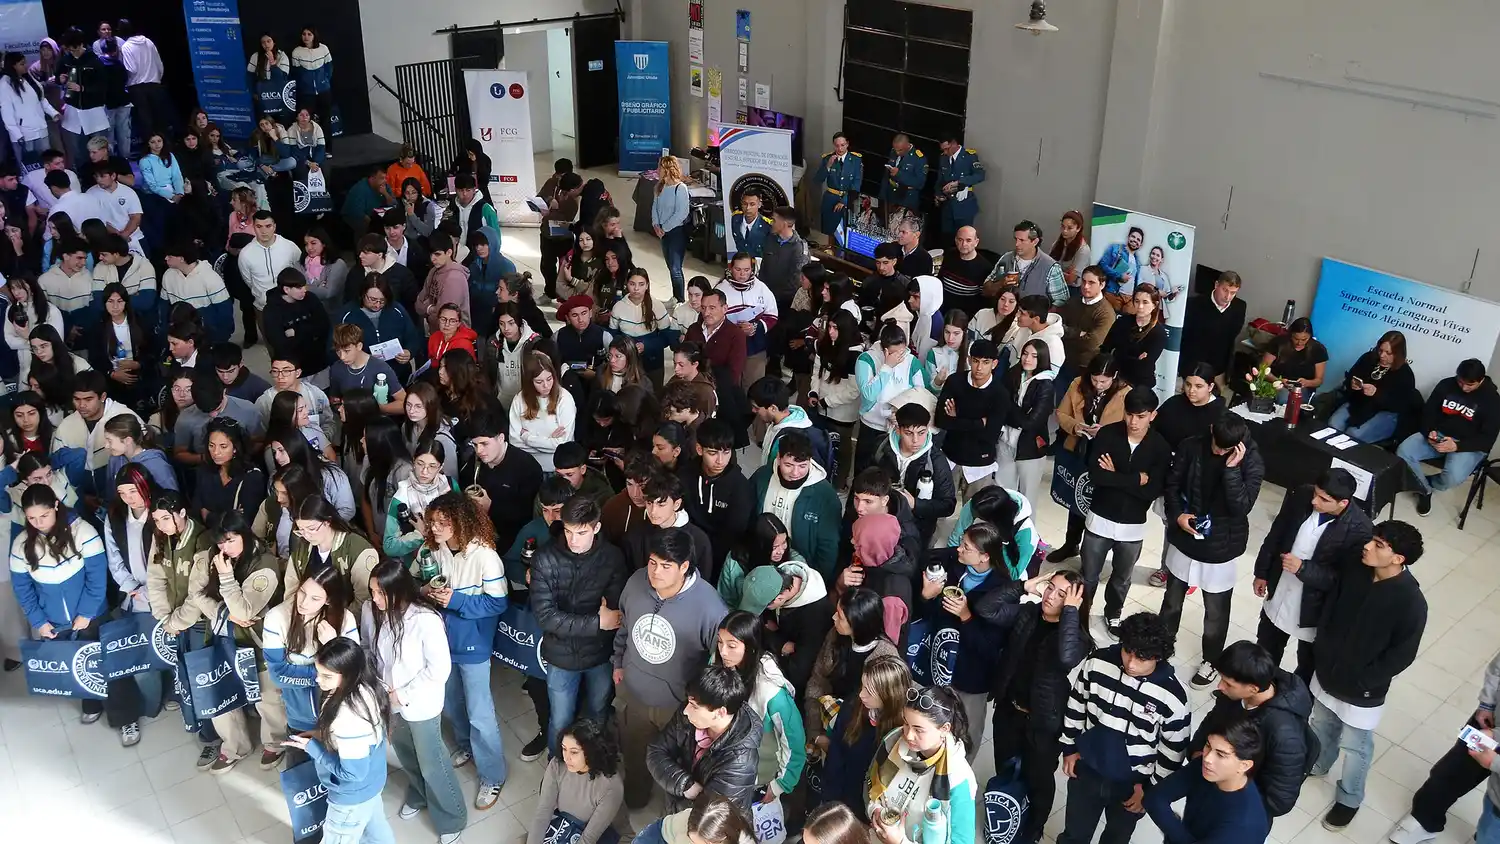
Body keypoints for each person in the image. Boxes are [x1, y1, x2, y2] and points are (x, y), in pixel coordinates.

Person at [1308, 520, 1429, 832]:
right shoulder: (1357, 571)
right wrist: (1323, 649)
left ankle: (1349, 798)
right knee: (1321, 723)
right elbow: (1332, 606)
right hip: (1327, 671)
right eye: (1372, 539)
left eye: (1379, 545)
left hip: (1362, 689)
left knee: (1356, 745)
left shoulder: (1410, 601)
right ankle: (1319, 762)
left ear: (1398, 558)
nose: (1368, 546)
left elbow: (1402, 653)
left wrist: (1365, 679)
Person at [9, 483, 147, 740]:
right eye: (31, 518)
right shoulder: (21, 545)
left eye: (44, 515)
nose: (38, 522)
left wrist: (86, 614)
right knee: (77, 667)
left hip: (93, 616)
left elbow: (96, 579)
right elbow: (23, 589)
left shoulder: (82, 531)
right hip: (55, 623)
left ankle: (126, 718)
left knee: (111, 668)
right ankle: (91, 704)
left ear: (56, 507)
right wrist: (39, 621)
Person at [614, 529, 729, 809]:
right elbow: (625, 627)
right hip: (635, 694)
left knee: (679, 767)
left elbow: (721, 661)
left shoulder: (709, 606)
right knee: (633, 753)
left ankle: (673, 818)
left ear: (685, 567)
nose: (655, 572)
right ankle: (636, 798)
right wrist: (617, 662)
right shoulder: (635, 583)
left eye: (666, 566)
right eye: (653, 562)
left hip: (679, 707)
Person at [1056, 612, 1190, 844]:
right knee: (1074, 834)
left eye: (1141, 658)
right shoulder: (1096, 663)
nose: (1131, 663)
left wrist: (1149, 790)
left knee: (1117, 838)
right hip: (1087, 770)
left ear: (1158, 657)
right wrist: (1069, 747)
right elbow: (1076, 703)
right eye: (1127, 651)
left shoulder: (1173, 697)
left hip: (1133, 785)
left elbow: (1173, 751)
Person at [977, 571, 1089, 843]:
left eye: (1062, 594)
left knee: (1038, 778)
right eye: (1050, 587)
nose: (1051, 595)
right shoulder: (1028, 613)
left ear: (1074, 603)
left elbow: (1065, 657)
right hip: (1008, 709)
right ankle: (1006, 810)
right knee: (1004, 765)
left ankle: (1034, 828)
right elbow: (985, 609)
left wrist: (1071, 613)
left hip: (1043, 722)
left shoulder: (1078, 638)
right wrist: (1022, 586)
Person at [1160, 415, 1265, 689]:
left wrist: (1232, 469)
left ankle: (1212, 661)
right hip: (1186, 536)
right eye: (1216, 446)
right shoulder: (1192, 446)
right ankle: (1160, 646)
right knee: (1171, 601)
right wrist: (1178, 516)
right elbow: (1171, 485)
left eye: (1225, 449)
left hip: (1221, 545)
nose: (1218, 452)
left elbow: (1241, 507)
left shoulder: (1251, 461)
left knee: (1215, 612)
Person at [529, 493, 629, 756]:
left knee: (597, 716)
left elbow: (616, 613)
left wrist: (577, 622)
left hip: (599, 655)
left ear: (596, 527)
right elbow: (545, 617)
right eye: (569, 531)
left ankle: (592, 768)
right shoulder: (544, 558)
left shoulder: (612, 557)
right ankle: (556, 772)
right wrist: (597, 621)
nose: (573, 540)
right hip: (561, 657)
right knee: (560, 721)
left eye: (581, 532)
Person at [1252, 468, 1372, 684]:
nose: (1315, 501)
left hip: (1314, 607)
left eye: (1324, 499)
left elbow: (1343, 581)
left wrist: (1303, 569)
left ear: (1342, 503)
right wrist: (1261, 572)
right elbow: (1276, 535)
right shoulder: (1302, 496)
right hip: (1280, 588)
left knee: (1307, 663)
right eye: (1316, 493)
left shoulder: (1360, 529)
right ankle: (1259, 689)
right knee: (1266, 649)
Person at [1075, 390, 1170, 631]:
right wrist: (1135, 479)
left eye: (1141, 416)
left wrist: (1114, 476)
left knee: (1122, 579)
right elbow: (1096, 476)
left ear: (1153, 415)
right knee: (1089, 575)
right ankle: (1079, 614)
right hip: (1099, 519)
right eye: (1129, 415)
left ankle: (1113, 613)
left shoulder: (1159, 447)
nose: (1133, 422)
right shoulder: (1107, 434)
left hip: (1133, 525)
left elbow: (1151, 492)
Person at [1192, 641, 1313, 821]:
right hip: (1212, 788)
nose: (1219, 687)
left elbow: (1279, 800)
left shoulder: (1285, 735)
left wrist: (1230, 790)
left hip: (1239, 811)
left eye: (1227, 683)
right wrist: (1197, 752)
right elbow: (1213, 721)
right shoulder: (1236, 695)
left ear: (1253, 689)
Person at [1390, 649, 1500, 844]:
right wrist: (1487, 705)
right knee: (1450, 771)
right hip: (1490, 723)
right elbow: (1497, 668)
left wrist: (1495, 762)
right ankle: (1425, 820)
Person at [866, 684, 978, 844]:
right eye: (905, 724)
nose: (908, 735)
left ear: (945, 728)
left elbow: (962, 841)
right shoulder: (893, 742)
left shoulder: (959, 778)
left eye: (919, 730)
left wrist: (900, 842)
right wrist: (874, 810)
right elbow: (871, 782)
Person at [646, 662, 762, 812]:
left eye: (694, 706)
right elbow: (656, 751)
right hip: (676, 808)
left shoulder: (740, 762)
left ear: (720, 712)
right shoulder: (689, 716)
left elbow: (711, 814)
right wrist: (686, 784)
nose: (686, 711)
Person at [1049, 353, 1131, 561]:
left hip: (1106, 454)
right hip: (1080, 447)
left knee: (1098, 502)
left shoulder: (1125, 393)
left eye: (1104, 381)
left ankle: (1092, 554)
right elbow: (1061, 413)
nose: (1099, 385)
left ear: (1115, 377)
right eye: (1095, 380)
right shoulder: (1078, 384)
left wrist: (1103, 431)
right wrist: (1077, 427)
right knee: (1076, 497)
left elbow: (1130, 426)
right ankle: (1071, 544)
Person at [1144, 716, 1272, 844]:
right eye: (1208, 745)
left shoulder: (1244, 825)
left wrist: (1173, 827)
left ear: (1244, 765)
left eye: (1220, 755)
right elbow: (1154, 798)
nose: (1207, 758)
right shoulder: (1205, 768)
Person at [1398, 358, 1499, 516]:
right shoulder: (1446, 385)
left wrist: (1457, 446)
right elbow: (1428, 412)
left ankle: (1428, 482)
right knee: (1404, 451)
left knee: (1453, 478)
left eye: (1470, 385)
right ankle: (1424, 490)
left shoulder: (1493, 400)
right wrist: (1429, 431)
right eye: (1460, 382)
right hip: (1439, 435)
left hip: (1467, 445)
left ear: (1481, 380)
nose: (1464, 388)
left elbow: (1487, 440)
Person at [749, 431, 841, 579]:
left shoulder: (825, 495)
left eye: (802, 466)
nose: (795, 473)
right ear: (778, 458)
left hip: (802, 571)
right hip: (760, 562)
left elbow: (828, 545)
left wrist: (818, 579)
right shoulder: (762, 477)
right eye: (788, 465)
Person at [872, 402, 956, 549]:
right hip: (881, 523)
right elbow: (863, 484)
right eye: (909, 433)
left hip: (918, 532)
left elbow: (948, 505)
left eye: (921, 433)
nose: (916, 440)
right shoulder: (881, 448)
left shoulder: (936, 460)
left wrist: (915, 504)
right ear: (898, 430)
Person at [528, 718, 624, 844]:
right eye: (564, 749)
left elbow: (588, 838)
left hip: (599, 834)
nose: (566, 757)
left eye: (574, 752)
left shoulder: (610, 786)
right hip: (565, 824)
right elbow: (543, 812)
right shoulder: (557, 764)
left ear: (591, 752)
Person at [461, 411, 544, 553]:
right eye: (475, 445)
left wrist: (491, 506)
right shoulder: (474, 464)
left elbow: (527, 516)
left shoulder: (527, 467)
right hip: (478, 537)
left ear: (500, 438)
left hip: (513, 544)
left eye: (484, 444)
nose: (479, 451)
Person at [852, 322, 928, 472]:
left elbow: (921, 393)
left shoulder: (911, 361)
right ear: (884, 349)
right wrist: (887, 367)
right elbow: (868, 394)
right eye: (895, 353)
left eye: (903, 350)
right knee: (865, 470)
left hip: (898, 427)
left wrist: (901, 414)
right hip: (872, 425)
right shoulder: (866, 360)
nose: (901, 356)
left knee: (889, 473)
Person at [1328, 330, 1416, 444]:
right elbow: (1351, 376)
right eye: (1381, 350)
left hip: (1384, 413)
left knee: (1353, 435)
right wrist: (1352, 384)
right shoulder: (1368, 358)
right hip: (1358, 403)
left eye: (1388, 353)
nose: (1382, 355)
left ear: (1397, 354)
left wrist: (1377, 394)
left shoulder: (1405, 373)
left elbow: (1400, 405)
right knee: (1333, 425)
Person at [995, 338, 1055, 503]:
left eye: (1034, 356)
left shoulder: (1046, 385)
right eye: (1025, 354)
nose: (1027, 359)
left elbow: (1030, 423)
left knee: (1027, 497)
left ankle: (1025, 529)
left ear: (1042, 359)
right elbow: (999, 404)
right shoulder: (1013, 374)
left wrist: (1009, 409)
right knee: (1003, 492)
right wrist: (1015, 412)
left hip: (1030, 448)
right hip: (1005, 441)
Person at [336, 274, 423, 384]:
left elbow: (413, 337)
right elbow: (334, 348)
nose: (377, 305)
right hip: (363, 379)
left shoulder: (397, 310)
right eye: (372, 299)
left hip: (398, 375)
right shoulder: (347, 315)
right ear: (363, 294)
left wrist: (409, 352)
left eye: (382, 300)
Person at [1177, 270, 1245, 393]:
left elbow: (1232, 335)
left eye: (1233, 293)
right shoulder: (1193, 304)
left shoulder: (1240, 307)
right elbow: (1186, 337)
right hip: (1193, 367)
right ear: (1216, 285)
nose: (1228, 297)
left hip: (1219, 369)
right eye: (1225, 290)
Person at [717, 253, 779, 389]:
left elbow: (772, 315)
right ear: (730, 268)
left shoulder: (762, 288)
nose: (742, 274)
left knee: (754, 388)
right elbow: (712, 318)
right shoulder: (720, 290)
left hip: (755, 349)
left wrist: (755, 327)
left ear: (752, 269)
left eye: (746, 270)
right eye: (738, 269)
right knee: (731, 388)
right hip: (729, 349)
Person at [509, 351, 577, 472]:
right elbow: (515, 443)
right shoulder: (519, 399)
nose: (546, 385)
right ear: (530, 382)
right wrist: (549, 440)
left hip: (556, 469)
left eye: (549, 379)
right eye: (539, 382)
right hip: (529, 467)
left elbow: (563, 444)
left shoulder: (564, 399)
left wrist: (527, 437)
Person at [161, 241, 232, 344]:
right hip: (179, 334)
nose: (166, 258)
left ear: (181, 259)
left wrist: (222, 336)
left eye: (170, 256)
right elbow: (164, 305)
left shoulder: (210, 277)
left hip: (207, 334)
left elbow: (224, 310)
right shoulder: (168, 275)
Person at [1100, 282, 1167, 390]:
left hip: (1140, 385)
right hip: (1116, 378)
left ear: (1154, 305)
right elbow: (1105, 348)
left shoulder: (1159, 333)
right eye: (1137, 301)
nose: (1140, 306)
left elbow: (1145, 364)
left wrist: (1118, 354)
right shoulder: (1122, 322)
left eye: (1145, 302)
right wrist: (1135, 358)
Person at [330, 323, 406, 415]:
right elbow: (334, 399)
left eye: (347, 351)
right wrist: (339, 408)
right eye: (338, 351)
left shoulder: (381, 368)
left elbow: (404, 403)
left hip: (376, 425)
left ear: (359, 346)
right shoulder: (336, 369)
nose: (342, 357)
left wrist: (377, 409)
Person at [610, 267, 672, 376]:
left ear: (647, 286)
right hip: (626, 361)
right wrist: (625, 347)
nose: (636, 289)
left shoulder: (657, 306)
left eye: (641, 284)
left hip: (652, 360)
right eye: (632, 284)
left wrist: (646, 346)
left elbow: (667, 338)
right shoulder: (618, 307)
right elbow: (612, 335)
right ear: (627, 284)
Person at [238, 211, 301, 316]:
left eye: (268, 226)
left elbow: (300, 270)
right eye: (259, 226)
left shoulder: (289, 247)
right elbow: (248, 280)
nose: (263, 231)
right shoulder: (245, 254)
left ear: (274, 226)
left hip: (290, 304)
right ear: (253, 227)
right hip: (263, 307)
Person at [651, 155, 690, 300]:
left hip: (676, 233)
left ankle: (680, 299)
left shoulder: (680, 188)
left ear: (666, 169)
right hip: (663, 232)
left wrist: (664, 228)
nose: (657, 170)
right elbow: (654, 207)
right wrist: (656, 224)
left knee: (675, 268)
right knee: (670, 266)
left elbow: (681, 213)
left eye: (659, 167)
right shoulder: (660, 187)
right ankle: (675, 297)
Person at [815, 133, 862, 245]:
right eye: (837, 145)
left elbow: (856, 184)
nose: (840, 148)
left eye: (842, 145)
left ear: (847, 144)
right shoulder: (827, 158)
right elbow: (817, 180)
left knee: (846, 232)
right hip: (830, 199)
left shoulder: (856, 160)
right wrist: (828, 166)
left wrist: (844, 201)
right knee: (829, 231)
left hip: (849, 200)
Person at [935, 134, 984, 236]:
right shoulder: (943, 158)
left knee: (963, 237)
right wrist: (938, 194)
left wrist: (961, 183)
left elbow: (980, 175)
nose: (945, 152)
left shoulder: (969, 156)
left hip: (964, 206)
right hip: (948, 207)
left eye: (947, 149)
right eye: (943, 150)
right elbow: (940, 180)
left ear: (953, 144)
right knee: (947, 238)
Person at [342, 164, 394, 234]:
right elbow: (359, 213)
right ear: (372, 179)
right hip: (354, 216)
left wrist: (386, 194)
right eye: (381, 178)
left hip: (376, 215)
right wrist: (375, 225)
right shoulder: (360, 189)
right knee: (366, 228)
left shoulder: (384, 186)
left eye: (385, 178)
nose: (385, 181)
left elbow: (394, 204)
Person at [1050, 210, 1092, 292]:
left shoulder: (1083, 250)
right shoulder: (1058, 243)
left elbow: (1071, 279)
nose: (1065, 231)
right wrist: (1063, 273)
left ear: (1078, 228)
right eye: (1063, 227)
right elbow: (1048, 264)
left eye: (1069, 228)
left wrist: (1054, 272)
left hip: (1072, 290)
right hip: (1054, 284)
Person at [729, 191, 771, 257]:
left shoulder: (767, 225)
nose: (748, 208)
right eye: (745, 204)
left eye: (752, 204)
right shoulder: (735, 219)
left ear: (759, 204)